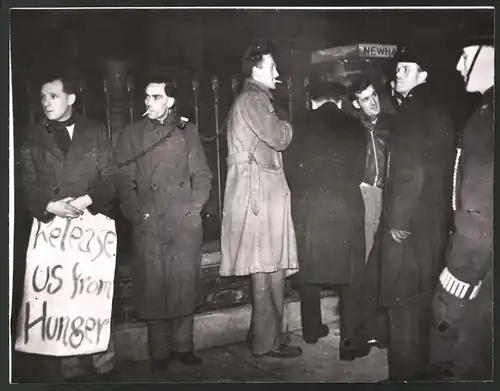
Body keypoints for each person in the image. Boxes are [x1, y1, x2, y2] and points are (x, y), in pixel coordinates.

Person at [16, 72, 119, 382]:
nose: (46, 103)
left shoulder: (95, 130)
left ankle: (104, 362)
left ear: (71, 98)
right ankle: (69, 366)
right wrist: (50, 205)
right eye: (43, 97)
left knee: (93, 292)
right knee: (61, 296)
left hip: (89, 228)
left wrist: (87, 200)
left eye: (54, 96)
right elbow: (27, 183)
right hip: (52, 228)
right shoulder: (31, 136)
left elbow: (111, 177)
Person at [368, 46, 457, 381]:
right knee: (423, 302)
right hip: (432, 224)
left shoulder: (411, 112)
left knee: (403, 305)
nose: (397, 75)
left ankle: (403, 377)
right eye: (398, 69)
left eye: (406, 69)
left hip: (409, 225)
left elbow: (410, 172)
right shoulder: (439, 110)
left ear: (424, 74)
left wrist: (397, 222)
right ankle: (423, 372)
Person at [115, 76, 213, 374]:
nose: (148, 102)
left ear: (170, 101)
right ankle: (158, 351)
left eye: (155, 97)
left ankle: (184, 347)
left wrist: (194, 209)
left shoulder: (187, 131)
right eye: (146, 97)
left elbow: (203, 175)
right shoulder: (131, 134)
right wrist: (136, 213)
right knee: (153, 285)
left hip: (183, 221)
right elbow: (123, 181)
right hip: (149, 221)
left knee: (183, 282)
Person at [219, 42, 302, 359]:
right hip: (259, 195)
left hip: (259, 192)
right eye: (272, 67)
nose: (278, 73)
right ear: (255, 70)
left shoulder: (251, 99)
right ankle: (266, 341)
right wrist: (287, 123)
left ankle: (265, 335)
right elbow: (278, 137)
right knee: (267, 269)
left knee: (269, 268)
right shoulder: (254, 99)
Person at [285, 81, 371, 359]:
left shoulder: (299, 124)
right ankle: (348, 344)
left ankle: (311, 330)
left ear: (312, 100)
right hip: (344, 204)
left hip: (308, 204)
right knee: (350, 274)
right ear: (339, 100)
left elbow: (290, 169)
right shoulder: (355, 126)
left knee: (309, 265)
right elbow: (359, 170)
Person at [428, 18, 494, 380]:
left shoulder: (487, 119)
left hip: (477, 263)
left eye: (466, 54)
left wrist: (458, 275)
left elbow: (479, 209)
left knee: (459, 356)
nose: (457, 65)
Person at [348, 77, 391, 262]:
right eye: (365, 99)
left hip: (388, 189)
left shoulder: (392, 124)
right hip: (364, 189)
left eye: (374, 95)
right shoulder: (351, 127)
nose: (373, 102)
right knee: (366, 243)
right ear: (356, 104)